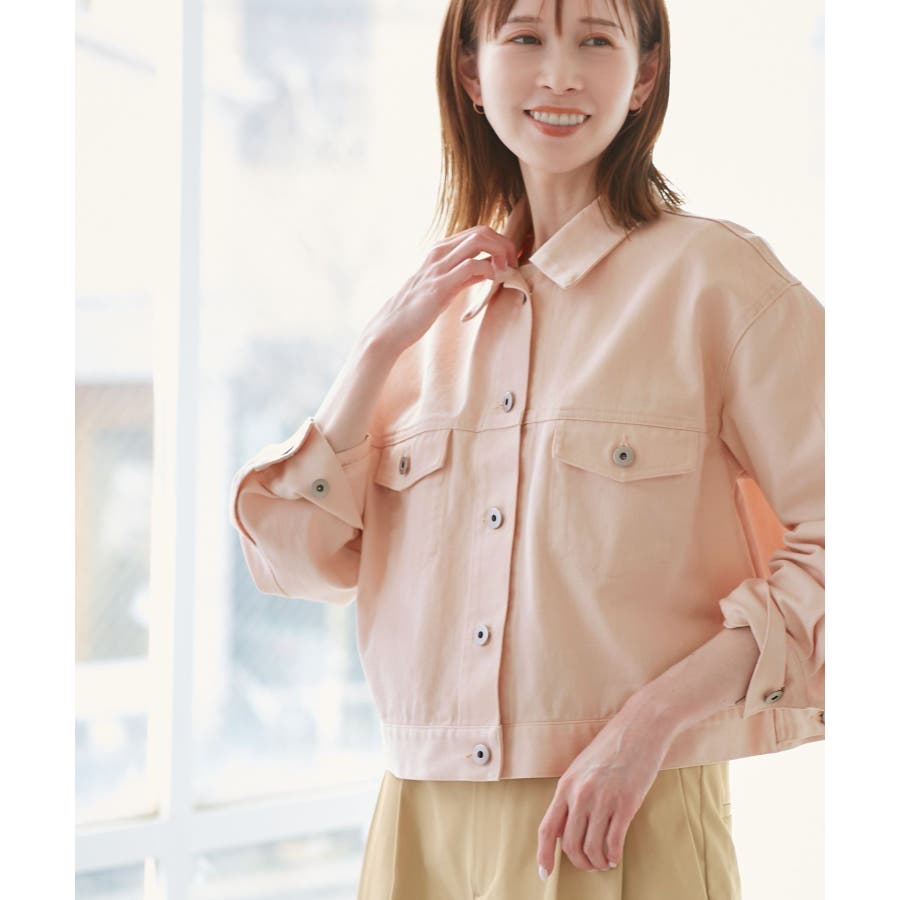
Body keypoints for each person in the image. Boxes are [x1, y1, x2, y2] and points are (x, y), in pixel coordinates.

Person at [228, 0, 824, 896]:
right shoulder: (425, 321)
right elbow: (293, 562)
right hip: (418, 831)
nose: (560, 74)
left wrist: (649, 724)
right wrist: (374, 352)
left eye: (595, 39)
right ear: (471, 71)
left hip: (622, 818)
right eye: (525, 38)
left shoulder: (719, 283)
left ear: (644, 75)